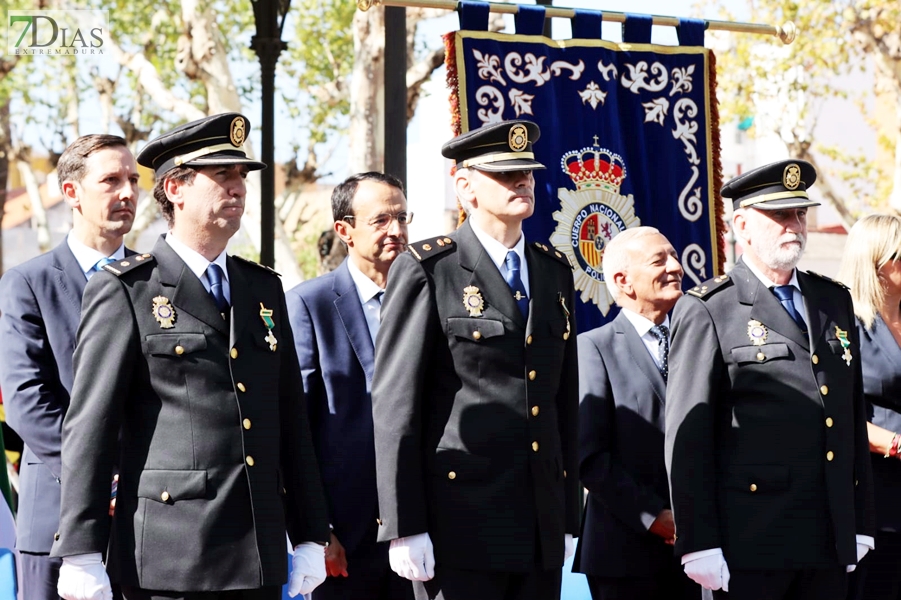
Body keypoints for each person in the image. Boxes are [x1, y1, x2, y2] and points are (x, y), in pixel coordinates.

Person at [50, 113, 330, 600]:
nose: (238, 186)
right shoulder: (127, 290)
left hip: (258, 554)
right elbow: (90, 425)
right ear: (175, 188)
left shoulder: (262, 288)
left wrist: (310, 533)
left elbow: (290, 418)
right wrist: (81, 550)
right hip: (171, 556)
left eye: (241, 175)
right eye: (221, 174)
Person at [370, 119, 580, 600]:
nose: (521, 181)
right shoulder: (429, 268)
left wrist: (568, 512)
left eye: (525, 172)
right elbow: (396, 404)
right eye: (505, 174)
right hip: (459, 521)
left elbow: (561, 399)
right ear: (464, 186)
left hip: (537, 523)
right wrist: (404, 523)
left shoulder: (552, 270)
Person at [664, 159, 875, 600]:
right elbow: (689, 438)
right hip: (753, 540)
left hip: (828, 536)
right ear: (742, 224)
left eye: (799, 214)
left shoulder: (831, 299)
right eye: (779, 215)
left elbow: (849, 414)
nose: (793, 225)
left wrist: (860, 520)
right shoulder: (709, 308)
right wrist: (698, 543)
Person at [0, 134, 138, 600]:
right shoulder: (27, 284)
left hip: (150, 520)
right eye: (111, 180)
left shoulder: (155, 278)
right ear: (72, 192)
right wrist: (99, 476)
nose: (128, 193)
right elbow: (26, 402)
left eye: (134, 180)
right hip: (57, 518)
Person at [286, 172, 414, 600]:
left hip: (423, 533)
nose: (396, 231)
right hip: (345, 537)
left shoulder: (428, 297)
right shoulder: (310, 304)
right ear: (345, 231)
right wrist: (317, 530)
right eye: (380, 220)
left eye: (401, 217)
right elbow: (296, 427)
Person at [573, 227, 702, 600]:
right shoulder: (593, 349)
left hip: (700, 549)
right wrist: (654, 517)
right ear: (622, 281)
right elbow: (590, 458)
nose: (676, 267)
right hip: (625, 554)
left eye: (674, 256)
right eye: (659, 260)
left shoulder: (698, 342)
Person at [838, 214, 901, 600]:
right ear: (878, 264)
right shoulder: (846, 326)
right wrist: (895, 443)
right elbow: (837, 412)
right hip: (880, 491)